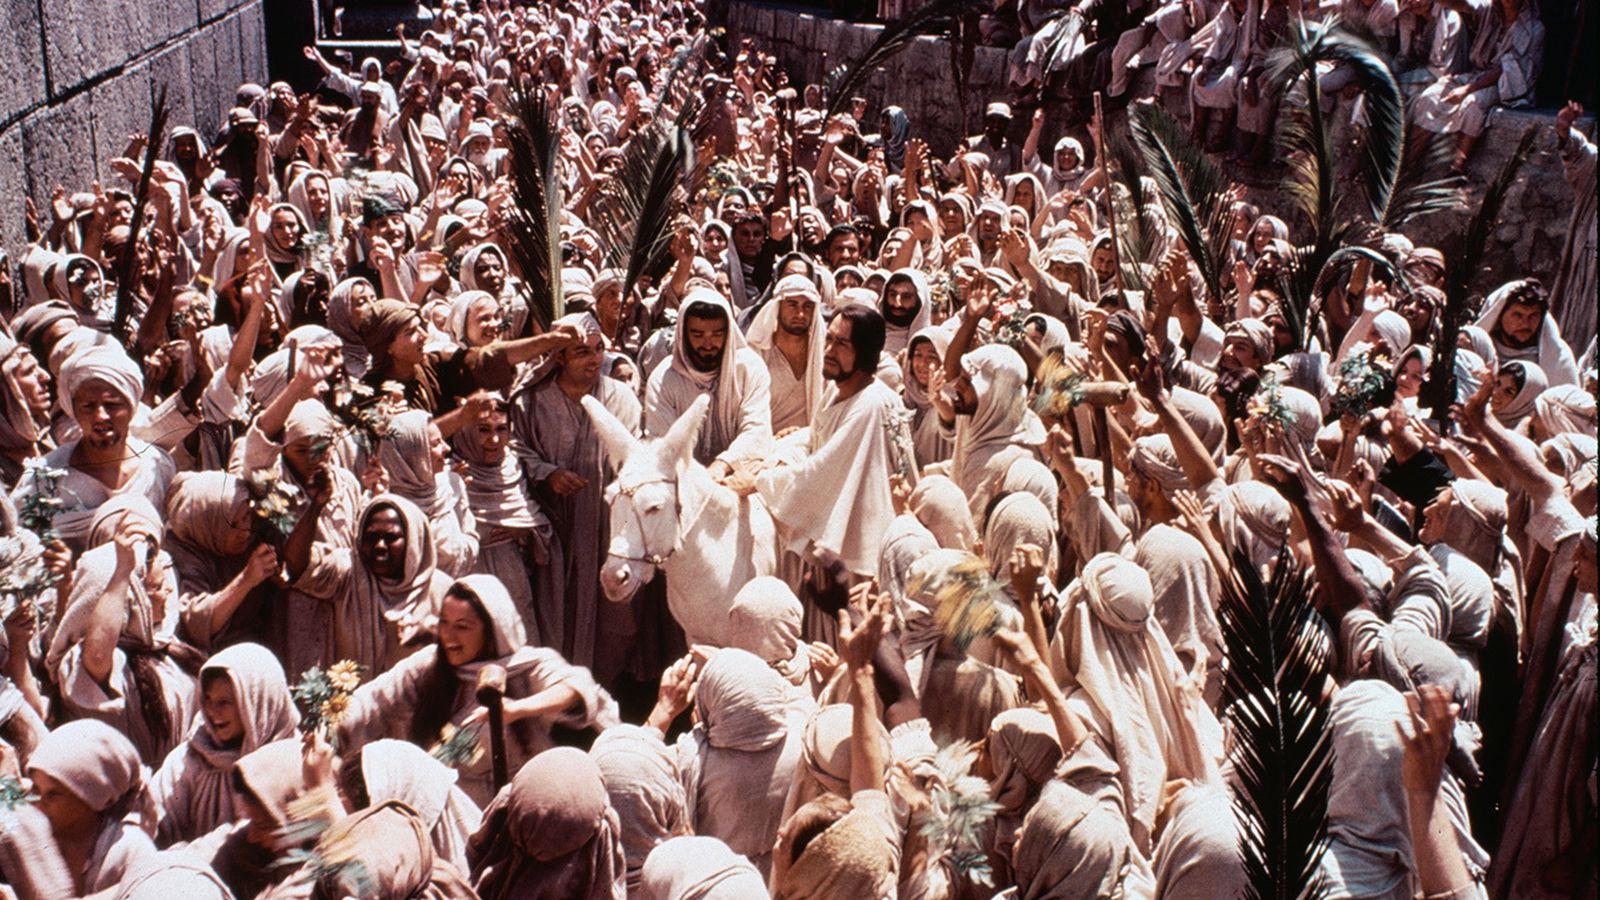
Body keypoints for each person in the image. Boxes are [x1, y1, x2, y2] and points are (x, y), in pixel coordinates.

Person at [511, 311, 643, 677]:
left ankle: (605, 689)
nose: (594, 359)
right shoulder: (531, 402)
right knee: (555, 611)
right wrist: (548, 474)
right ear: (559, 358)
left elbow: (636, 453)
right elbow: (514, 450)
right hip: (554, 527)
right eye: (582, 352)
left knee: (614, 618)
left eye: (599, 349)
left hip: (606, 526)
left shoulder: (621, 398)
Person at [644, 288, 772, 475]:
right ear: (683, 334)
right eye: (697, 335)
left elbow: (756, 431)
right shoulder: (663, 379)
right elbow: (665, 446)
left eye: (717, 334)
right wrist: (701, 481)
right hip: (682, 479)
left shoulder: (749, 368)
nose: (708, 344)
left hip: (738, 475)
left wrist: (723, 465)